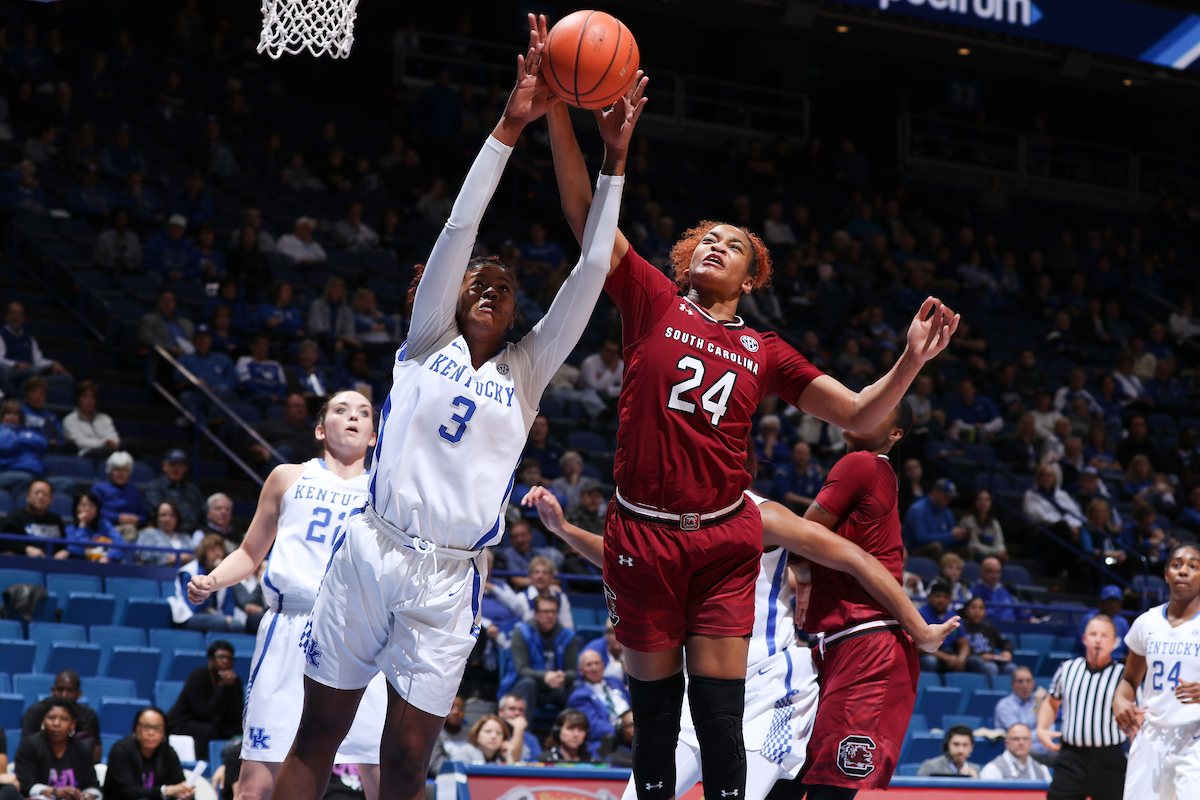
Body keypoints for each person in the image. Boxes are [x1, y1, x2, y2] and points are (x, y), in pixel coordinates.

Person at [548, 37, 958, 800]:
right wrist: (570, 125)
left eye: (731, 244)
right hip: (640, 528)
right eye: (706, 238)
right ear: (684, 257)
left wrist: (910, 362)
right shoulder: (651, 299)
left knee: (720, 720)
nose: (715, 244)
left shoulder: (767, 350)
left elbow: (864, 411)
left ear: (751, 273)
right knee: (656, 720)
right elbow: (586, 220)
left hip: (723, 536)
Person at [271, 28, 638, 800]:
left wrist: (614, 162)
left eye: (504, 288)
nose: (488, 287)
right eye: (478, 281)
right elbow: (458, 229)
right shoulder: (425, 338)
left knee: (406, 762)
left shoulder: (530, 367)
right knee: (318, 734)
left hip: (448, 578)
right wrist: (510, 127)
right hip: (371, 550)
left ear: (516, 316)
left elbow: (594, 267)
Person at [525, 405, 956, 800]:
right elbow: (624, 560)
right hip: (699, 690)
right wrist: (563, 528)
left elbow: (858, 558)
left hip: (769, 688)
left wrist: (919, 628)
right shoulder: (672, 519)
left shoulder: (764, 514)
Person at [186, 391, 385, 800]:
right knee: (254, 787)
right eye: (341, 410)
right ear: (319, 428)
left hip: (359, 631)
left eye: (364, 413)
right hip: (291, 623)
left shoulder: (386, 489)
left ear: (373, 437)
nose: (353, 416)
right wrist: (213, 580)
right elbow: (248, 552)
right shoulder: (288, 476)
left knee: (382, 778)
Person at [1114, 543, 1200, 800]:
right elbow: (1129, 680)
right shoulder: (1147, 622)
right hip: (1152, 732)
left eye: (1193, 566)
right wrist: (1120, 699)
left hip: (1195, 732)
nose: (1183, 571)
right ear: (1166, 574)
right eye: (1177, 565)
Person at [1036, 616, 1126, 800]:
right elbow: (1051, 703)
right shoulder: (1068, 669)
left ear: (1115, 642)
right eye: (1093, 634)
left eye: (1104, 635)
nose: (1098, 639)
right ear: (1084, 639)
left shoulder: (1123, 676)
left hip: (1109, 760)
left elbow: (1135, 719)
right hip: (1071, 759)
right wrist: (1042, 729)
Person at [501, 594, 578, 720]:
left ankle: (573, 732)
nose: (550, 616)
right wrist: (545, 676)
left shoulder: (568, 635)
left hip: (556, 687)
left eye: (553, 612)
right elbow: (522, 670)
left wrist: (562, 676)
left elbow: (572, 672)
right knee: (528, 683)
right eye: (545, 612)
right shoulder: (521, 633)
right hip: (530, 686)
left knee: (576, 687)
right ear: (536, 614)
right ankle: (522, 734)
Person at [166, 640, 244, 754]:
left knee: (238, 730)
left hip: (212, 723)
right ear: (210, 659)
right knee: (207, 731)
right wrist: (221, 686)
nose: (226, 661)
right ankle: (202, 764)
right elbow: (204, 714)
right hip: (183, 722)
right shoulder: (197, 677)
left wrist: (231, 688)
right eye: (221, 657)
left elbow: (236, 716)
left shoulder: (234, 681)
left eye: (230, 658)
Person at [14, 699, 102, 800]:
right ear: (43, 721)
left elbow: (93, 786)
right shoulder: (29, 746)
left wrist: (86, 796)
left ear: (73, 724)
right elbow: (26, 785)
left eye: (64, 719)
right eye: (51, 718)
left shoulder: (83, 749)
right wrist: (55, 792)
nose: (56, 723)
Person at [103, 706, 193, 800]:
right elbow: (129, 792)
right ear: (136, 728)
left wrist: (185, 792)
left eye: (157, 728)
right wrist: (165, 790)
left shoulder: (168, 753)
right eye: (145, 727)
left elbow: (179, 783)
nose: (151, 733)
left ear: (164, 732)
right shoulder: (121, 751)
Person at [19, 670, 102, 764]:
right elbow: (26, 750)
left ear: (78, 694)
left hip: (78, 767)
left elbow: (95, 756)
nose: (64, 695)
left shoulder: (89, 715)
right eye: (60, 689)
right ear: (52, 690)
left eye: (70, 690)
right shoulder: (35, 711)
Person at [0, 401, 76, 502]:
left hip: (38, 475)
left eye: (16, 414)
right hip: (9, 473)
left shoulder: (27, 431)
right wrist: (26, 441)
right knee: (25, 479)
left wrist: (17, 440)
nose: (12, 417)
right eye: (8, 413)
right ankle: (16, 511)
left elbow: (42, 443)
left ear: (20, 417)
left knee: (68, 484)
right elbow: (5, 444)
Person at [170, 534, 245, 632]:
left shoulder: (223, 572)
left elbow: (229, 599)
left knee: (237, 625)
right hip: (190, 615)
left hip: (215, 615)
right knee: (219, 621)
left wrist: (228, 616)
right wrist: (212, 583)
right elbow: (194, 606)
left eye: (220, 550)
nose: (217, 554)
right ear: (204, 553)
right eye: (212, 550)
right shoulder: (189, 572)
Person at [0, 300, 72, 397]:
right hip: (11, 372)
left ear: (24, 318)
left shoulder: (29, 338)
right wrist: (15, 364)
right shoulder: (2, 334)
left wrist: (52, 363)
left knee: (66, 378)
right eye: (12, 313)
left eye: (19, 314)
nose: (16, 317)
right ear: (6, 315)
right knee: (32, 371)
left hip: (30, 373)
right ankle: (22, 401)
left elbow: (38, 361)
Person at [567, 648, 631, 749]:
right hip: (612, 740)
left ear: (603, 665)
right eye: (589, 665)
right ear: (581, 670)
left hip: (634, 730)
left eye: (597, 663)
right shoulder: (579, 697)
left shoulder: (615, 682)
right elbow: (594, 726)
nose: (594, 668)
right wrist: (623, 730)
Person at [993, 667, 1053, 763]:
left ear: (1033, 683)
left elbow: (1049, 730)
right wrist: (1037, 707)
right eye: (1020, 681)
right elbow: (1020, 733)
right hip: (1018, 754)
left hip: (1044, 751)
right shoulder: (1004, 706)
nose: (1025, 685)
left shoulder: (1041, 702)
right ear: (1012, 684)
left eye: (1028, 681)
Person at [0, 479, 68, 558]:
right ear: (27, 496)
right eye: (36, 493)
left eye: (45, 494)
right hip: (23, 563)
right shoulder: (15, 516)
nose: (40, 497)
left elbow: (63, 545)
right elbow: (4, 543)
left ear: (51, 499)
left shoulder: (56, 520)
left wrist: (63, 552)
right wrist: (25, 549)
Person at [905, 478, 968, 559]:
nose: (949, 500)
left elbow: (952, 536)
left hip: (943, 549)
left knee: (966, 550)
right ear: (935, 492)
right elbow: (921, 539)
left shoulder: (946, 511)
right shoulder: (917, 510)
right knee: (936, 547)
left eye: (950, 497)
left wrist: (963, 537)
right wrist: (950, 536)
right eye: (946, 496)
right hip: (916, 550)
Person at [144, 450, 205, 532]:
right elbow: (157, 513)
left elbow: (201, 515)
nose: (176, 468)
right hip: (165, 531)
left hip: (193, 533)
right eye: (173, 464)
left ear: (186, 468)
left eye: (180, 465)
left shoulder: (193, 490)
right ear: (164, 466)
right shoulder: (155, 487)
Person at [93, 451, 149, 539]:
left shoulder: (133, 488)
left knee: (151, 532)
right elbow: (94, 511)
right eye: (117, 470)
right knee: (129, 530)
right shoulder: (99, 488)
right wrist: (118, 518)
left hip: (133, 529)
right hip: (106, 529)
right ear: (110, 471)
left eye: (125, 470)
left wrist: (138, 519)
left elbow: (144, 513)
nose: (121, 473)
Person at [959, 596, 1017, 681]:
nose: (977, 611)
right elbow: (958, 649)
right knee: (990, 667)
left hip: (991, 660)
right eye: (973, 607)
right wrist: (980, 657)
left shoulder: (988, 627)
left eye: (981, 608)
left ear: (985, 612)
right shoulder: (961, 627)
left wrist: (1007, 651)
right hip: (972, 661)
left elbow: (1006, 642)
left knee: (1012, 668)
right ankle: (991, 693)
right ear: (966, 610)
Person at [62, 381, 121, 459]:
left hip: (108, 452)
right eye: (85, 396)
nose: (89, 400)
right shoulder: (69, 420)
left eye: (92, 397)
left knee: (128, 445)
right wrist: (104, 443)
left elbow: (113, 437)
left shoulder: (104, 418)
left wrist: (111, 442)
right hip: (86, 455)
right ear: (78, 399)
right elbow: (80, 442)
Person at [65, 491, 126, 563]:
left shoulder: (105, 525)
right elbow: (75, 549)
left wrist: (108, 557)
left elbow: (120, 544)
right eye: (83, 505)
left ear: (97, 510)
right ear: (76, 508)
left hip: (105, 565)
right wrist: (82, 526)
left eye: (91, 506)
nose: (87, 509)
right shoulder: (70, 530)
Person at [979, 724, 1050, 782]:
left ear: (1031, 742)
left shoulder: (1042, 770)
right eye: (1016, 739)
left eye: (1025, 739)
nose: (1021, 743)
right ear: (1007, 743)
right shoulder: (993, 769)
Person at [1076, 586, 1130, 660]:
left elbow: (1129, 650)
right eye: (1108, 602)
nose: (1111, 605)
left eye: (1115, 602)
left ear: (1120, 605)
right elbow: (1081, 648)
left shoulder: (1122, 623)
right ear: (1100, 603)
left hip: (1117, 664)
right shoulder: (1089, 619)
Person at [139, 288, 196, 356]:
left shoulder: (187, 323)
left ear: (175, 302)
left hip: (189, 356)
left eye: (170, 300)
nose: (167, 303)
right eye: (164, 300)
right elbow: (147, 339)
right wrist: (170, 348)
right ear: (158, 302)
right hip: (165, 357)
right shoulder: (149, 319)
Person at [135, 501, 194, 566]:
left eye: (172, 515)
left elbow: (196, 555)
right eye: (163, 515)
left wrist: (177, 558)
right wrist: (168, 559)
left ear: (177, 518)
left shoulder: (185, 537)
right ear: (156, 518)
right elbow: (143, 554)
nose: (167, 519)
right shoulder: (148, 534)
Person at [771, 441, 824, 514]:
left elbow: (821, 494)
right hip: (786, 510)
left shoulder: (814, 473)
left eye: (805, 454)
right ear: (792, 454)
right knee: (787, 504)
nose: (802, 457)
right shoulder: (783, 471)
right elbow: (785, 495)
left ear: (809, 456)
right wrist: (809, 502)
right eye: (799, 454)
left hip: (807, 509)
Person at [960, 489, 1008, 562]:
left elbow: (999, 542)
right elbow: (973, 545)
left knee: (1004, 557)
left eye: (986, 500)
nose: (983, 503)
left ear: (991, 503)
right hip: (975, 554)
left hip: (990, 554)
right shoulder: (968, 520)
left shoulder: (994, 522)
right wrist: (995, 552)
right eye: (980, 500)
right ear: (975, 503)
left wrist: (1001, 551)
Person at [916, 725, 980, 778]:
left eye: (965, 745)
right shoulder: (930, 767)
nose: (960, 750)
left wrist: (976, 783)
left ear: (971, 747)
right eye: (956, 744)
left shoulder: (975, 770)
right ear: (947, 745)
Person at [497, 694, 540, 763]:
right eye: (512, 708)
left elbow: (539, 766)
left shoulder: (531, 739)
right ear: (500, 711)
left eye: (521, 710)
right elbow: (513, 760)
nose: (517, 713)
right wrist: (518, 728)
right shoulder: (494, 734)